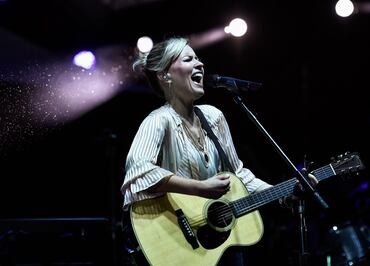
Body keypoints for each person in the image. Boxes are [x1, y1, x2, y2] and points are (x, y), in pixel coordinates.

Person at [120, 36, 318, 266]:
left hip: (218, 246)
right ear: (165, 75)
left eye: (198, 58)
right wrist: (201, 188)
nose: (200, 64)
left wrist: (284, 193)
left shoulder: (213, 118)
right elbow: (139, 172)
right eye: (188, 59)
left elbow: (240, 176)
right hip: (175, 241)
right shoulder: (158, 121)